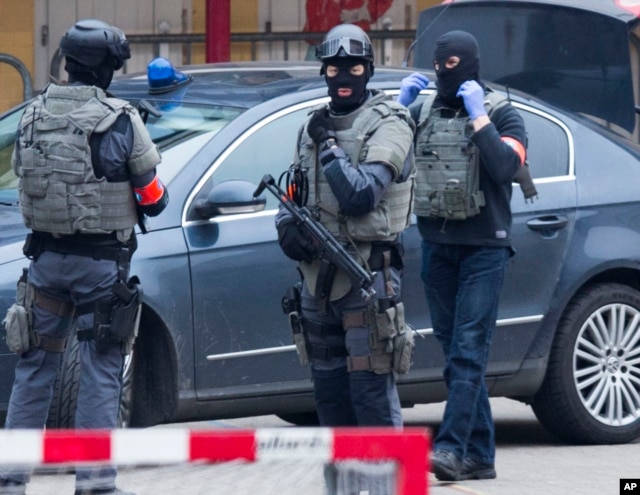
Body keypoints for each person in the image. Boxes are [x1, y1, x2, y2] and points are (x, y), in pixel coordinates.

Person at [0, 19, 168, 495]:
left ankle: (10, 481)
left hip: (45, 264)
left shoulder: (32, 114)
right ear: (107, 70)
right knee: (100, 370)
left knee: (34, 369)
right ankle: (95, 483)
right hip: (100, 269)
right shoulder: (119, 119)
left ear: (69, 64)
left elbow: (21, 175)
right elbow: (154, 197)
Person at [396, 30, 528, 481]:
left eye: (452, 64)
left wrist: (479, 119)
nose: (443, 72)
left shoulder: (503, 113)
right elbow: (391, 161)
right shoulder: (424, 110)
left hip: (484, 250)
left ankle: (450, 449)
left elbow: (507, 168)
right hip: (437, 246)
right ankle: (481, 455)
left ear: (470, 64)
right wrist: (398, 109)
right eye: (438, 64)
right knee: (456, 355)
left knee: (470, 353)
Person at [276, 23, 416, 429]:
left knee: (370, 393)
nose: (343, 77)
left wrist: (330, 147)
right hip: (318, 284)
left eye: (354, 68)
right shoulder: (311, 127)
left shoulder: (389, 122)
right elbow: (295, 193)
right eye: (335, 68)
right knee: (330, 398)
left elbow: (360, 197)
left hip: (367, 279)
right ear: (323, 71)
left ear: (368, 71)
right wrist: (286, 225)